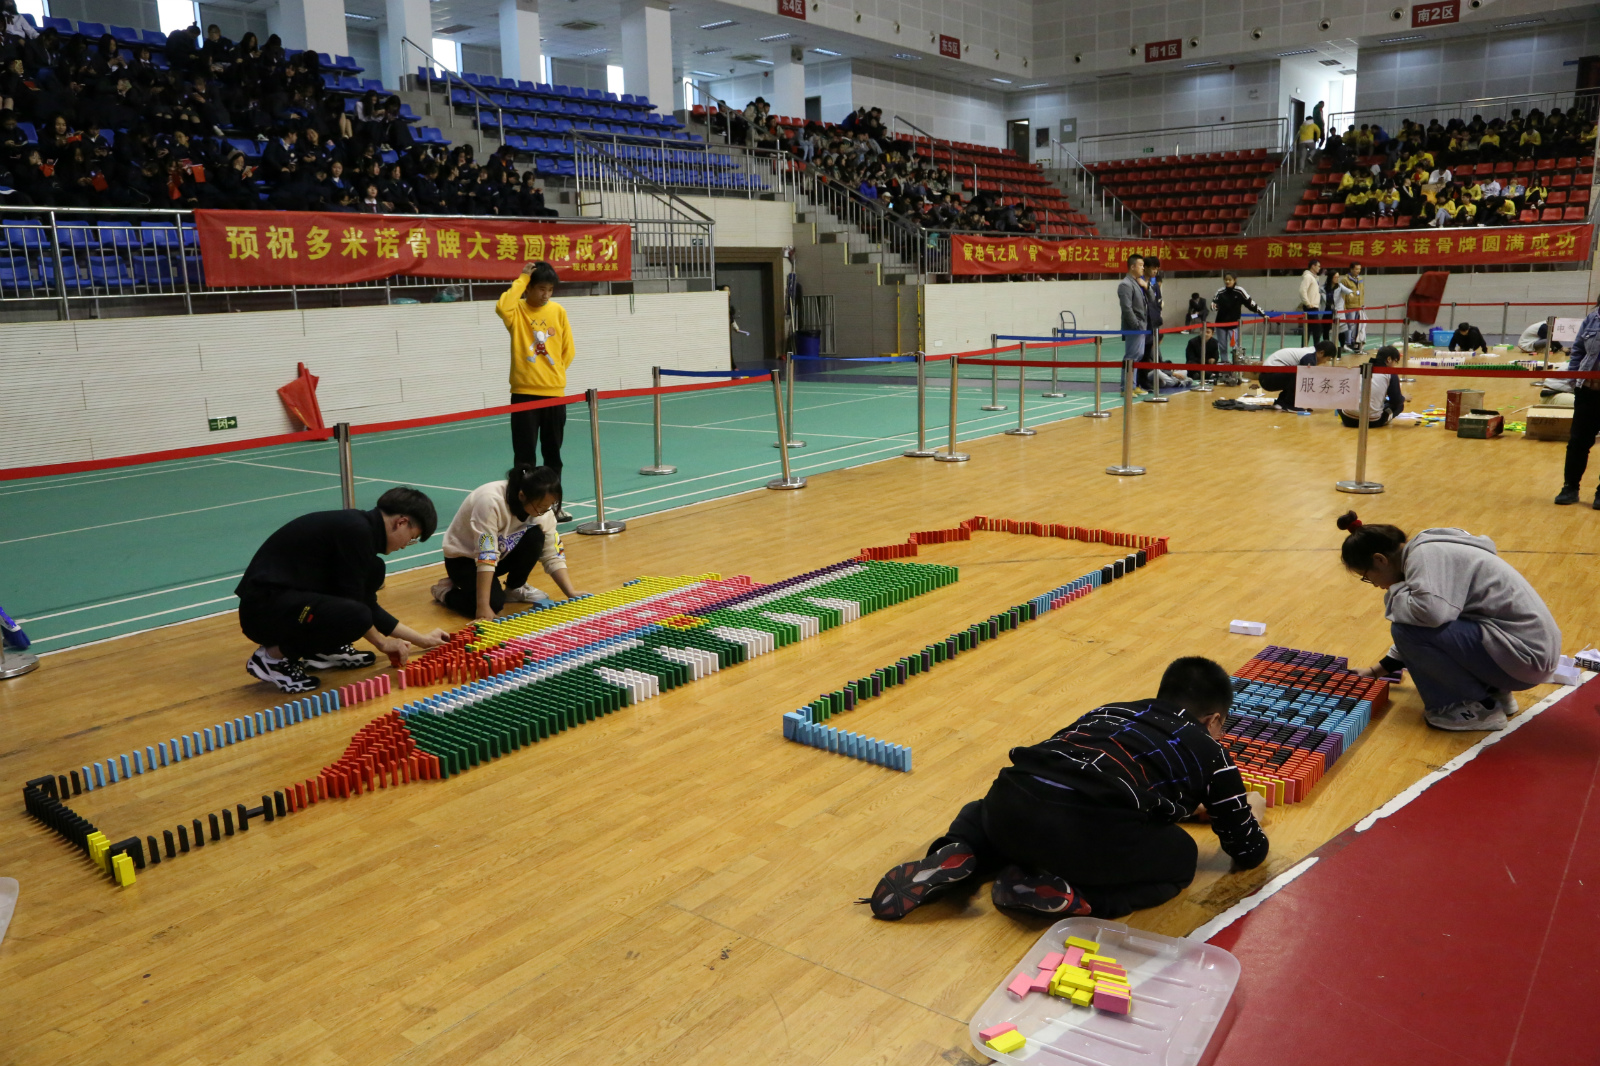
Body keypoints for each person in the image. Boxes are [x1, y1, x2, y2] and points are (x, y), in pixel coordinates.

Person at [863, 657, 1268, 921]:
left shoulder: (1110, 710)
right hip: (1086, 835)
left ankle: (964, 848)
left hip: (1011, 802)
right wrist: (1251, 808)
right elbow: (1248, 851)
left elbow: (1074, 770)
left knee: (991, 807)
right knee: (1182, 856)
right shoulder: (1213, 752)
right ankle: (1081, 898)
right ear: (1215, 720)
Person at [1335, 512, 1560, 731]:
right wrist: (1375, 671)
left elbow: (1428, 619)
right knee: (1416, 620)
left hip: (1524, 659)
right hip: (1528, 654)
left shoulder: (1425, 556)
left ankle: (1477, 708)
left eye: (1367, 577)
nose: (1375, 584)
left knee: (1405, 627)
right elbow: (1429, 623)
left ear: (1380, 560)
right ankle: (1495, 692)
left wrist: (1395, 591)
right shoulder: (1431, 550)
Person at [235, 487, 449, 693]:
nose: (405, 545)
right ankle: (272, 659)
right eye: (411, 538)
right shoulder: (356, 532)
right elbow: (357, 610)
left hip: (286, 603)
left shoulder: (360, 530)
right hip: (263, 611)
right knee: (355, 616)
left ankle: (323, 651)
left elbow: (367, 603)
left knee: (373, 572)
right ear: (401, 522)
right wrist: (382, 643)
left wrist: (422, 640)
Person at [432, 464, 587, 619]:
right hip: (464, 560)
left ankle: (515, 588)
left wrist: (570, 592)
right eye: (540, 507)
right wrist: (483, 607)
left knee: (536, 536)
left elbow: (553, 553)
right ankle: (445, 592)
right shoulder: (489, 502)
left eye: (548, 507)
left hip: (501, 554)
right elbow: (486, 555)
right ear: (522, 496)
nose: (544, 512)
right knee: (493, 604)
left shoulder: (543, 511)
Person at [496, 260, 575, 522]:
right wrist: (521, 279)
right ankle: (522, 508)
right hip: (524, 393)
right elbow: (502, 306)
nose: (546, 295)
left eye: (550, 290)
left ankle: (553, 507)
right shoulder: (516, 311)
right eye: (541, 288)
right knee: (524, 456)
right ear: (529, 288)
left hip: (554, 393)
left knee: (553, 454)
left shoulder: (558, 311)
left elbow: (568, 349)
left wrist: (554, 374)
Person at [1555, 296, 1600, 507]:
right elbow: (1578, 351)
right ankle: (1570, 487)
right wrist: (1574, 379)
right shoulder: (1592, 319)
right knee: (1578, 442)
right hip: (1588, 391)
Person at [1258, 339, 1338, 412]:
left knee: (1297, 374)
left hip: (1268, 377)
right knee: (1300, 375)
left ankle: (1281, 402)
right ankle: (1290, 404)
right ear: (1321, 353)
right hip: (1268, 378)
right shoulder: (1309, 357)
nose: (1325, 362)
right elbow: (1306, 381)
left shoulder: (1310, 353)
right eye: (1327, 359)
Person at [1337, 346, 1406, 428]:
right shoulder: (1391, 374)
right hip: (1372, 422)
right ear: (1389, 359)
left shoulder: (1361, 368)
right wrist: (1403, 398)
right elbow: (1396, 401)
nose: (1395, 365)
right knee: (1400, 406)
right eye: (1395, 362)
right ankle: (1384, 418)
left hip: (1347, 419)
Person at [1212, 272, 1264, 361]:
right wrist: (1214, 306)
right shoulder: (1220, 292)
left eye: (1230, 280)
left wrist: (1262, 313)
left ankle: (1236, 363)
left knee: (1235, 346)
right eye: (1226, 280)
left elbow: (1250, 303)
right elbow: (1213, 304)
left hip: (1234, 325)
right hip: (1220, 324)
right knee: (1222, 346)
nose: (1227, 282)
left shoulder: (1240, 291)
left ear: (1235, 280)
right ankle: (1224, 362)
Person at [1117, 253, 1149, 383]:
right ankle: (1126, 386)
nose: (1143, 268)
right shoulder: (1125, 284)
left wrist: (1145, 286)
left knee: (1137, 356)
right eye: (1140, 265)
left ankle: (1133, 385)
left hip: (1141, 327)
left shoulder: (1137, 283)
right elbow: (1127, 308)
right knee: (1131, 357)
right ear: (1132, 267)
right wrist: (1136, 325)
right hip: (1134, 328)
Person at [1298, 258, 1326, 343]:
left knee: (1309, 328)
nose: (1319, 268)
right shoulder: (1308, 277)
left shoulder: (1315, 278)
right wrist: (1307, 303)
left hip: (1314, 306)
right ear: (1313, 266)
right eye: (1318, 266)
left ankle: (1306, 346)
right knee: (1316, 328)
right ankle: (1315, 346)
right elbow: (1302, 290)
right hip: (1310, 307)